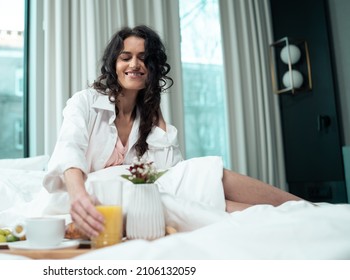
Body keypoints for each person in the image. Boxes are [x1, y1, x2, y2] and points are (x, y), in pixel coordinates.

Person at [43, 25, 302, 238]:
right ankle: (301, 212)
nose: (135, 64)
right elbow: (69, 148)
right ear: (114, 64)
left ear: (153, 68)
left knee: (201, 182)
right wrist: (79, 196)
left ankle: (302, 209)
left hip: (144, 194)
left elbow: (171, 170)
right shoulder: (85, 102)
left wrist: (155, 113)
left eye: (144, 58)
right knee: (179, 192)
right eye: (126, 57)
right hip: (90, 196)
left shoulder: (146, 115)